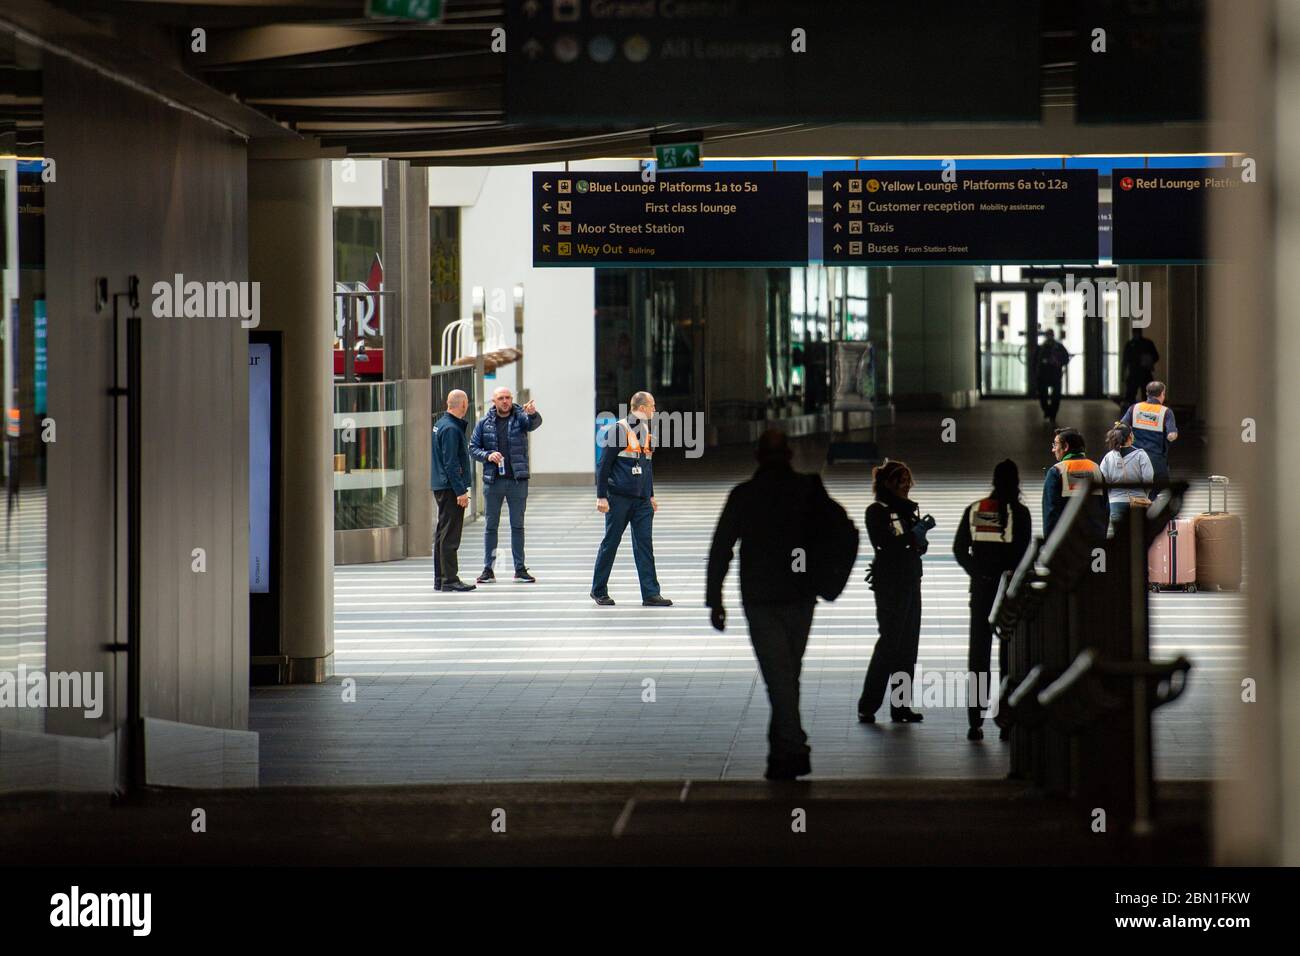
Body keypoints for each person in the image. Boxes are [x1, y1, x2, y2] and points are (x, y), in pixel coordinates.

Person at [706, 430, 833, 781]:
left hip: (760, 599)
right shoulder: (809, 489)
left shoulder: (744, 495)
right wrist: (827, 582)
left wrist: (715, 600)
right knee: (787, 674)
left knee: (780, 677)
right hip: (800, 596)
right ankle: (788, 750)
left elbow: (721, 549)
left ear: (758, 457)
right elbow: (844, 533)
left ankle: (787, 750)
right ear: (790, 455)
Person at [952, 460, 1031, 741]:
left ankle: (975, 720)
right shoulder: (1021, 513)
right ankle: (1005, 718)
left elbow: (959, 548)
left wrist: (978, 572)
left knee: (978, 655)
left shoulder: (975, 509)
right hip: (1009, 593)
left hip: (982, 591)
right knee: (1009, 656)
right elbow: (1024, 555)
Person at [857, 460, 929, 724]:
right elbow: (884, 544)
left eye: (908, 481)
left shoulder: (909, 510)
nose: (906, 486)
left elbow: (915, 546)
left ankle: (901, 706)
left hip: (911, 579)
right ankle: (868, 704)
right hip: (890, 583)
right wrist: (913, 537)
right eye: (900, 481)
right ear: (886, 483)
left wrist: (920, 539)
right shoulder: (877, 511)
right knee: (889, 642)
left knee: (908, 644)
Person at [590, 391, 672, 607]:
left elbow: (646, 466)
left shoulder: (647, 431)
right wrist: (601, 496)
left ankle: (651, 593)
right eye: (652, 406)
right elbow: (604, 465)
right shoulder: (619, 430)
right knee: (611, 542)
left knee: (644, 545)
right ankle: (598, 590)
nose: (655, 410)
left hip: (642, 501)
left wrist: (651, 494)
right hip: (618, 498)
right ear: (642, 407)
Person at [469, 386, 543, 584]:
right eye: (501, 398)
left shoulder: (520, 418)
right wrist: (487, 455)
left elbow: (533, 424)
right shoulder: (484, 423)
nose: (505, 401)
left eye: (508, 398)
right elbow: (473, 448)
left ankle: (520, 569)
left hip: (517, 481)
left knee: (517, 526)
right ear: (493, 401)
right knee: (491, 526)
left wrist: (533, 414)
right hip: (493, 481)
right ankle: (488, 569)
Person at [431, 389, 475, 592]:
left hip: (442, 485)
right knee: (450, 535)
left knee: (442, 533)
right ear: (463, 404)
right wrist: (460, 491)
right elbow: (451, 463)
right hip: (450, 487)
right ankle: (450, 579)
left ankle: (441, 579)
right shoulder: (451, 428)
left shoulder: (440, 424)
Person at [1041, 427, 1108, 542]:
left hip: (1067, 542)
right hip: (1094, 539)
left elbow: (1050, 513)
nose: (1053, 450)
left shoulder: (1057, 471)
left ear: (1066, 447)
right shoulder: (1095, 469)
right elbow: (1105, 507)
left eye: (1055, 445)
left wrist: (1049, 544)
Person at [1099, 423, 1154, 538]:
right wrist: (1144, 494)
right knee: (1139, 539)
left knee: (1119, 538)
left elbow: (1103, 481)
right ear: (1130, 436)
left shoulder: (1108, 457)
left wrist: (1111, 496)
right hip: (1139, 502)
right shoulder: (1141, 455)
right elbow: (1148, 478)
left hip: (1116, 502)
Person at [1120, 380, 1179, 482]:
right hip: (1156, 461)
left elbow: (1121, 427)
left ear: (1147, 393)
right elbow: (1171, 435)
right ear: (1162, 394)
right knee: (1159, 489)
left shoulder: (1134, 408)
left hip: (1135, 459)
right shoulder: (1166, 412)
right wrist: (1172, 436)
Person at [1035, 328, 1071, 424]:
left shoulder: (1042, 348)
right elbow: (1066, 359)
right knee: (1053, 396)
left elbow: (1035, 362)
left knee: (1046, 396)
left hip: (1047, 375)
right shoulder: (1057, 347)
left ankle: (1049, 412)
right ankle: (1051, 413)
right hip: (1053, 375)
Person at [1120, 329, 1160, 411]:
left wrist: (1122, 374)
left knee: (1132, 395)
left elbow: (1125, 361)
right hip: (1142, 372)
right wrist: (1149, 361)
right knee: (1140, 395)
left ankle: (1133, 412)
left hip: (1137, 372)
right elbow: (1156, 356)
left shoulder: (1131, 344)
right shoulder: (1147, 343)